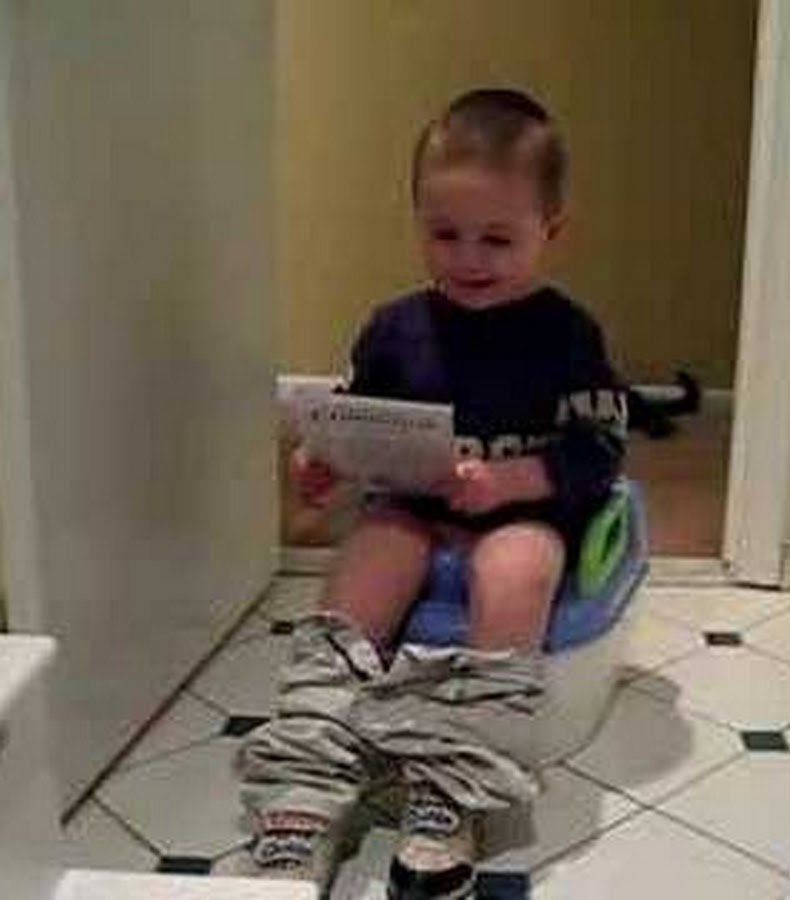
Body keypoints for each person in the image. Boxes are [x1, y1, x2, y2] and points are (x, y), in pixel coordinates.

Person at [236, 88, 627, 899]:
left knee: (515, 570)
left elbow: (599, 450)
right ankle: (307, 778)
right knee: (364, 571)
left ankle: (452, 781)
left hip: (523, 512)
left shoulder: (567, 335)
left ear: (551, 232)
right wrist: (325, 461)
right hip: (416, 504)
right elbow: (358, 416)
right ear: (417, 220)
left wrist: (514, 481)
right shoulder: (394, 328)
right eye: (444, 234)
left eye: (498, 239)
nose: (468, 258)